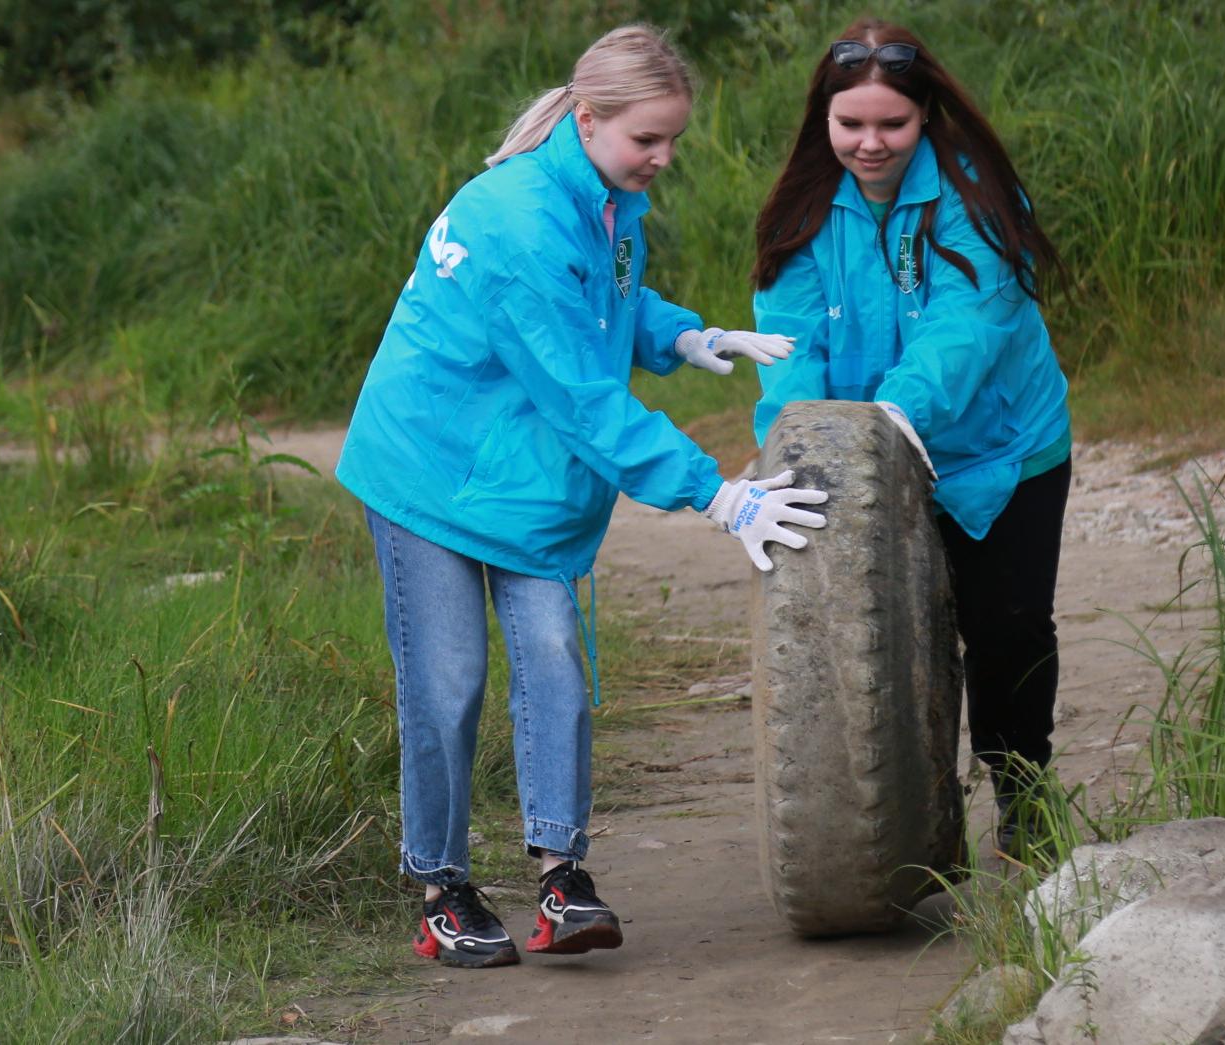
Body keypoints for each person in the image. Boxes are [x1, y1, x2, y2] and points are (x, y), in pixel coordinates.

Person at [337, 24, 831, 969]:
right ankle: (442, 890)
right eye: (649, 138)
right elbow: (581, 398)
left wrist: (681, 335)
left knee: (555, 659)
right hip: (428, 467)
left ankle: (562, 878)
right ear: (590, 117)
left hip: (518, 479)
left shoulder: (604, 196)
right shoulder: (518, 218)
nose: (664, 157)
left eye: (672, 138)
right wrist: (716, 495)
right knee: (448, 680)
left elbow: (607, 300)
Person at [747, 18, 1071, 863]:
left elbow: (970, 324)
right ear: (823, 118)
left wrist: (894, 414)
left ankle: (1023, 791)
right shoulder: (800, 212)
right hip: (864, 461)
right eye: (850, 123)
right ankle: (914, 828)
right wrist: (798, 443)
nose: (871, 143)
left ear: (925, 114)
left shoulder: (977, 195)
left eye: (891, 123)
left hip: (1000, 452)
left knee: (1005, 631)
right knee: (879, 638)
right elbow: (789, 348)